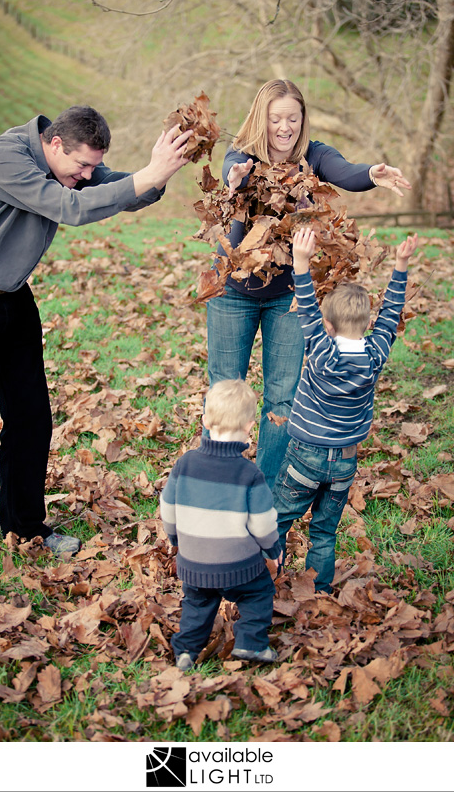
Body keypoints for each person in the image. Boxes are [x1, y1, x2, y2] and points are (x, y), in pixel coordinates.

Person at [0, 105, 192, 556]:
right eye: (82, 166)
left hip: (11, 301)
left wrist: (161, 169)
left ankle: (26, 528)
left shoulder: (69, 163)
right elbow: (70, 208)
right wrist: (148, 173)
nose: (86, 175)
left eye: (92, 166)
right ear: (54, 144)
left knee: (31, 416)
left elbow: (122, 190)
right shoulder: (6, 158)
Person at [206, 79, 412, 491]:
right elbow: (233, 174)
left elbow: (345, 172)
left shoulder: (313, 154)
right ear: (261, 118)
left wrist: (372, 172)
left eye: (293, 118)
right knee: (226, 389)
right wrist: (237, 176)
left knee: (282, 398)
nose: (285, 127)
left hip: (288, 297)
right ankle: (216, 482)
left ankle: (262, 491)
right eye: (276, 118)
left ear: (303, 120)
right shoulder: (242, 154)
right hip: (233, 293)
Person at [272, 226, 418, 593]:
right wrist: (400, 266)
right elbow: (391, 315)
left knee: (277, 520)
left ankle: (265, 577)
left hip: (305, 455)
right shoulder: (375, 355)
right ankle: (319, 591)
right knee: (324, 530)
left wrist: (301, 263)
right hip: (345, 463)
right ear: (368, 324)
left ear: (327, 325)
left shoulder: (322, 352)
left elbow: (305, 307)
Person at [160, 379, 283, 669]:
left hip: (194, 562)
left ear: (205, 420)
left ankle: (186, 651)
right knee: (259, 592)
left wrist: (175, 539)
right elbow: (262, 523)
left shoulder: (185, 464)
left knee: (198, 604)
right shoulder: (249, 473)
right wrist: (272, 548)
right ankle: (251, 642)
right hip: (238, 565)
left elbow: (168, 507)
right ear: (249, 428)